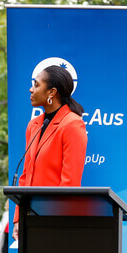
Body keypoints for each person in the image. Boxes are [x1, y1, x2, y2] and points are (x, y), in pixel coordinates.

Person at [11, 64, 88, 240]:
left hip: (54, 222)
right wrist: (18, 218)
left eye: (36, 85)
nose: (31, 89)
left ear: (51, 92)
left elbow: (70, 183)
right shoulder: (33, 125)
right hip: (30, 219)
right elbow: (25, 177)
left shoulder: (72, 124)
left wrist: (53, 222)